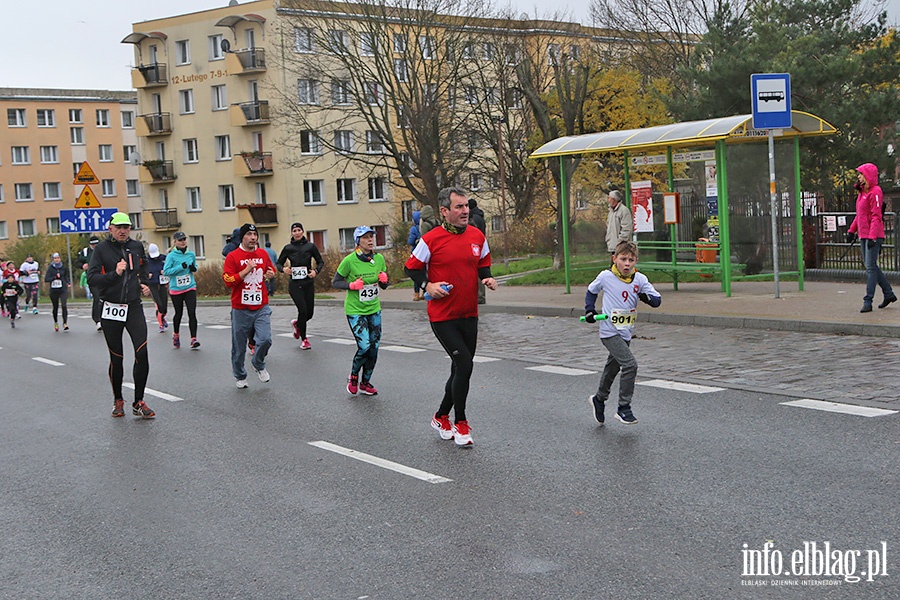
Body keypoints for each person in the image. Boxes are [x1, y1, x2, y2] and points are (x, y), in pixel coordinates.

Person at [404, 187, 498, 446]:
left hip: (469, 313)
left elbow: (482, 262)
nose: (465, 211)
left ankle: (440, 416)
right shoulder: (432, 239)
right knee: (465, 365)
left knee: (459, 368)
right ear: (445, 212)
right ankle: (461, 423)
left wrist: (486, 277)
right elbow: (411, 268)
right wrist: (427, 286)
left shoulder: (477, 235)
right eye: (459, 207)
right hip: (443, 316)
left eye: (466, 206)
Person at [86, 212, 155, 419]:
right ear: (111, 229)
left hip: (133, 306)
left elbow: (143, 269)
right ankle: (118, 399)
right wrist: (114, 274)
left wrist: (145, 284)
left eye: (127, 227)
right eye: (119, 227)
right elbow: (92, 279)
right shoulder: (100, 250)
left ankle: (139, 401)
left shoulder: (136, 247)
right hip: (111, 308)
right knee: (117, 357)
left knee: (141, 352)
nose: (123, 231)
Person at [584, 240, 661, 425]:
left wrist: (646, 297)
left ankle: (599, 398)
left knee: (613, 368)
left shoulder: (640, 279)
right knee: (630, 365)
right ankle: (623, 408)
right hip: (609, 331)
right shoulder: (606, 276)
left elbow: (657, 300)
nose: (627, 264)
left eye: (631, 260)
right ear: (615, 259)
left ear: (636, 261)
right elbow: (591, 291)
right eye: (623, 259)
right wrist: (589, 309)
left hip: (626, 331)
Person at [332, 226, 390, 396]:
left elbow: (383, 285)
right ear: (358, 241)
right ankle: (354, 376)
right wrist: (351, 285)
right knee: (364, 346)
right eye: (366, 237)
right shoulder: (349, 261)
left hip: (373, 309)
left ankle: (366, 382)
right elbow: (336, 282)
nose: (370, 240)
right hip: (355, 310)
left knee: (375, 347)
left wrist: (384, 281)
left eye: (372, 237)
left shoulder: (379, 259)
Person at [223, 223, 277, 388]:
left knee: (265, 339)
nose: (253, 238)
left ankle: (258, 363)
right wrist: (245, 271)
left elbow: (271, 270)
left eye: (255, 235)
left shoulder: (262, 254)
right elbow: (227, 280)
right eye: (249, 235)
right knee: (239, 347)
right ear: (242, 237)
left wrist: (271, 274)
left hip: (261, 306)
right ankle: (240, 375)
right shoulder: (233, 256)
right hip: (240, 309)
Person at [848, 162, 895, 313]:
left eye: (861, 174)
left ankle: (868, 301)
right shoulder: (862, 193)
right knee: (871, 266)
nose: (859, 177)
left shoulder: (875, 192)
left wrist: (873, 237)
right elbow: (860, 215)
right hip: (864, 235)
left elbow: (876, 216)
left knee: (870, 268)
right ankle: (888, 293)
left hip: (872, 235)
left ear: (868, 176)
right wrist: (851, 231)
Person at [277, 222, 324, 350]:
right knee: (302, 311)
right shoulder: (288, 248)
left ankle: (297, 324)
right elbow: (278, 264)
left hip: (308, 283)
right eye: (294, 231)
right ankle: (304, 339)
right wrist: (284, 269)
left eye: (299, 230)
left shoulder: (310, 246)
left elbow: (320, 262)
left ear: (303, 232)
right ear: (292, 233)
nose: (297, 233)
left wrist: (315, 271)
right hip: (295, 284)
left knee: (309, 314)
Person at [163, 232, 200, 349]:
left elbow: (195, 266)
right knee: (178, 313)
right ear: (175, 242)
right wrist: (181, 267)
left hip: (190, 286)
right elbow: (166, 271)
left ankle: (193, 339)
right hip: (176, 289)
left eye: (184, 239)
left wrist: (194, 268)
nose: (183, 241)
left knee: (192, 312)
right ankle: (176, 335)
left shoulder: (191, 254)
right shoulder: (171, 256)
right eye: (180, 240)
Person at [145, 243, 169, 334]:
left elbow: (169, 269)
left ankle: (162, 318)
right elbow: (141, 272)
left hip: (162, 284)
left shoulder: (163, 259)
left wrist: (165, 274)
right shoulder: (146, 261)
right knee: (159, 305)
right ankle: (160, 325)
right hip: (152, 285)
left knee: (164, 307)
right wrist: (147, 275)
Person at [468, 198, 488, 304]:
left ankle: (479, 296)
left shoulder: (473, 219)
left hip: (474, 245)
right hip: (481, 244)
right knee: (480, 270)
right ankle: (481, 295)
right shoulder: (480, 216)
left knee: (475, 272)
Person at [44, 253, 71, 332]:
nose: (57, 259)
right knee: (55, 307)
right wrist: (54, 277)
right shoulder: (50, 268)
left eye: (58, 258)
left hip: (63, 289)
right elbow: (46, 279)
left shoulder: (63, 267)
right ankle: (56, 322)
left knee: (64, 305)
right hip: (54, 290)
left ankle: (65, 323)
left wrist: (68, 282)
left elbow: (66, 276)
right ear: (53, 260)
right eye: (55, 258)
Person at [605, 190, 633, 256]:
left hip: (621, 247)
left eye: (609, 198)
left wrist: (619, 242)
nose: (608, 200)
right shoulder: (611, 211)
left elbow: (626, 229)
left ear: (614, 199)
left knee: (619, 265)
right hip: (613, 246)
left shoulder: (624, 211)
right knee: (614, 265)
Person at [407, 211, 423, 300]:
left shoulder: (414, 229)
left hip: (416, 253)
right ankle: (425, 292)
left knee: (415, 273)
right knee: (424, 273)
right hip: (425, 253)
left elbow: (410, 241)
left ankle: (416, 294)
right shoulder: (425, 227)